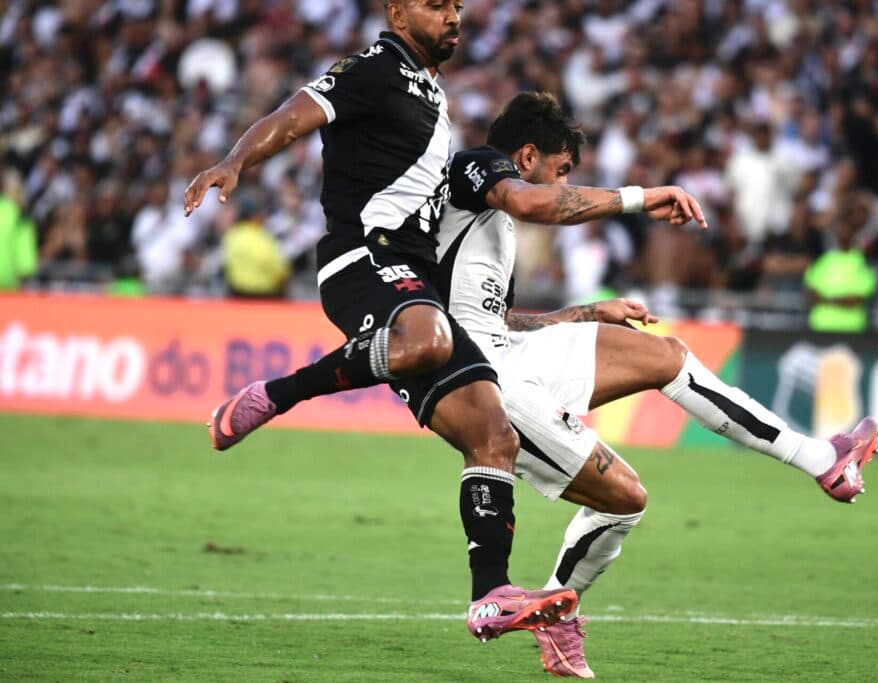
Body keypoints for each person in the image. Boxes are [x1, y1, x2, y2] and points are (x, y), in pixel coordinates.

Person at [417, 91, 878, 677]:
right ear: (527, 155)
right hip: (476, 375)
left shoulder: (493, 224)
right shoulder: (471, 168)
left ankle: (822, 460)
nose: (562, 184)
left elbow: (500, 317)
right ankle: (558, 620)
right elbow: (533, 204)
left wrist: (585, 312)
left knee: (666, 355)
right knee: (626, 500)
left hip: (508, 348)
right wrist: (640, 197)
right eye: (560, 171)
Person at [183, 0, 586, 643]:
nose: (453, 16)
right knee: (428, 337)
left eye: (457, 5)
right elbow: (294, 115)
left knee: (494, 434)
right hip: (360, 257)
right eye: (436, 6)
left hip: (411, 282)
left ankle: (490, 596)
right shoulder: (375, 68)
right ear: (399, 13)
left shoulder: (430, 89)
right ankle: (278, 395)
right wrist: (235, 160)